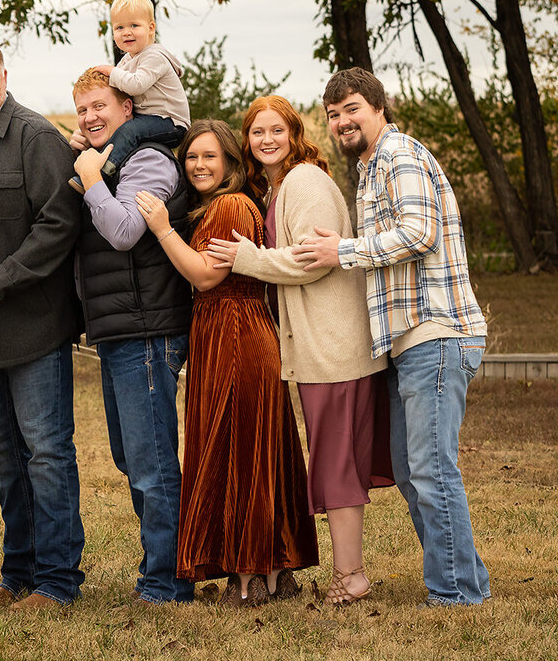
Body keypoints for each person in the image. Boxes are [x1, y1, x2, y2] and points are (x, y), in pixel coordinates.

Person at [293, 68, 490, 607]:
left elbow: (419, 233)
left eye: (352, 108)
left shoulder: (399, 155)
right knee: (411, 469)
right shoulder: (370, 167)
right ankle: (465, 577)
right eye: (333, 115)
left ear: (379, 107)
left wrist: (344, 250)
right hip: (407, 343)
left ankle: (456, 593)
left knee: (429, 468)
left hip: (436, 333)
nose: (342, 121)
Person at [205, 95, 393, 605]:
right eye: (256, 132)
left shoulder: (305, 181)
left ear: (294, 133)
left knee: (335, 463)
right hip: (319, 347)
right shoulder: (280, 187)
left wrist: (248, 258)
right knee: (335, 461)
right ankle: (349, 573)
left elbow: (316, 259)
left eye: (276, 130)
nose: (266, 140)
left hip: (334, 345)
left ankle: (350, 576)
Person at [136, 119, 318, 607]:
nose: (198, 165)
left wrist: (161, 229)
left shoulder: (230, 205)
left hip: (235, 333)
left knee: (237, 448)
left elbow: (204, 277)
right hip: (229, 332)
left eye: (209, 157)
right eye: (191, 157)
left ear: (231, 163)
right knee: (254, 446)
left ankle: (246, 578)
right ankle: (275, 571)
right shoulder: (222, 206)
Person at [0, 37, 84, 611]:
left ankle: (57, 580)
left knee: (46, 452)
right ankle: (18, 573)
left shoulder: (36, 137)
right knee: (2, 455)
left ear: (5, 74)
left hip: (30, 322)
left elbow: (58, 225)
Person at [67, 69, 194, 605]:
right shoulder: (112, 158)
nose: (92, 117)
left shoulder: (147, 160)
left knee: (153, 461)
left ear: (128, 108)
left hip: (148, 329)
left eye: (101, 106)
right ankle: (167, 568)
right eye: (84, 110)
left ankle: (168, 580)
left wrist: (92, 178)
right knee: (131, 456)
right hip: (119, 330)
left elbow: (122, 233)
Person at [69, 0, 189, 194]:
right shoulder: (128, 60)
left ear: (151, 28)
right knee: (127, 131)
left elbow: (136, 85)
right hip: (151, 119)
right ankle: (95, 165)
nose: (126, 32)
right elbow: (116, 91)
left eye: (134, 25)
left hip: (170, 122)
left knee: (130, 131)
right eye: (120, 27)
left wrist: (112, 71)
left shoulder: (155, 56)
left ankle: (104, 173)